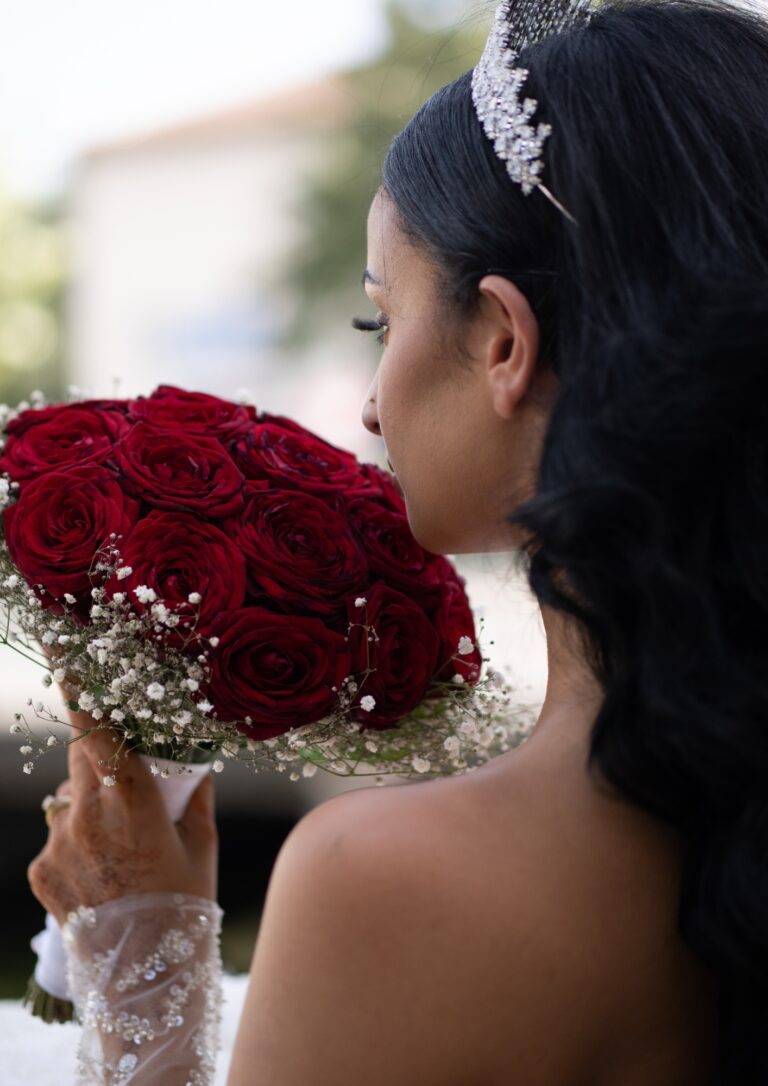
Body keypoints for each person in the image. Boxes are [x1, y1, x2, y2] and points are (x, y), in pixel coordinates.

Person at [25, 0, 768, 1080]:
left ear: (506, 339)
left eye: (382, 318)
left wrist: (143, 975)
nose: (372, 408)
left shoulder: (392, 881)